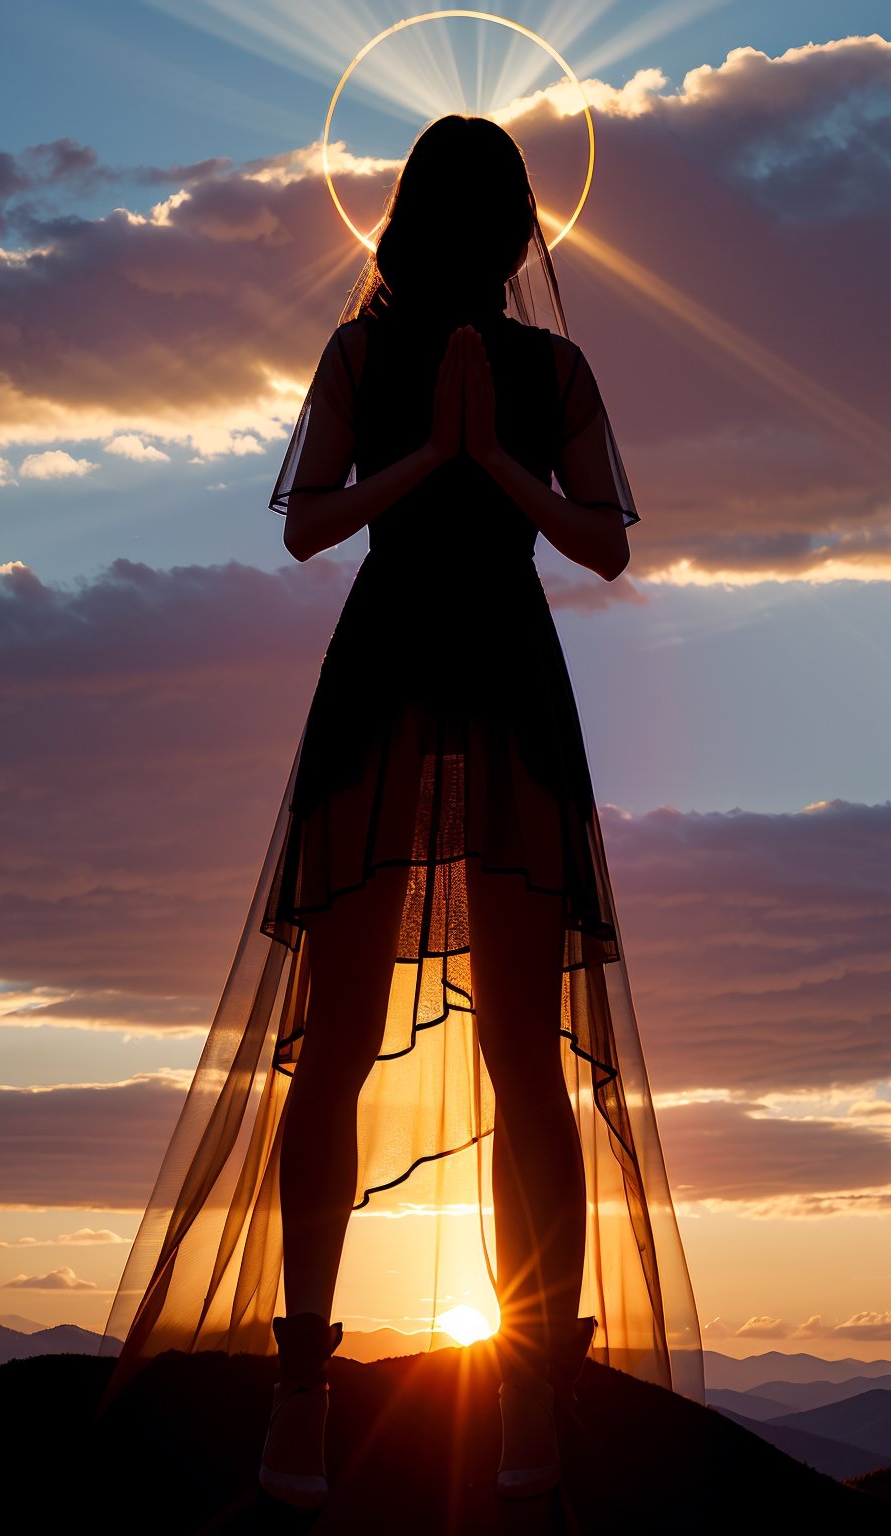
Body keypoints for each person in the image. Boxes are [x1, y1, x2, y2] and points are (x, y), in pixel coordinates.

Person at [103, 114, 702, 1510]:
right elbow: (311, 521)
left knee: (521, 1051)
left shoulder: (551, 369)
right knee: (337, 1042)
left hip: (501, 686)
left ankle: (528, 1387)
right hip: (386, 684)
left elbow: (608, 538)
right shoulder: (362, 352)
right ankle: (303, 1388)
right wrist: (439, 455)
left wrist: (491, 460)